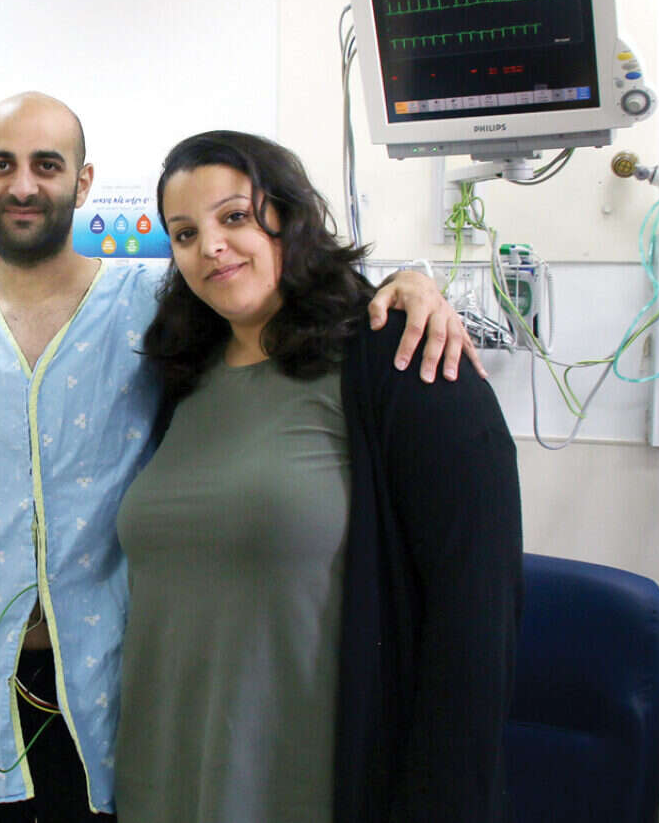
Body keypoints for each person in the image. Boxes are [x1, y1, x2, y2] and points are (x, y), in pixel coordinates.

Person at [0, 94, 480, 821]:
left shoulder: (156, 312)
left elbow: (283, 299)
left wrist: (406, 286)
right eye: (1, 165)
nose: (23, 185)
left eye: (47, 165)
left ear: (83, 182)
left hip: (113, 696)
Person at [113, 130, 523, 823]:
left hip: (309, 780)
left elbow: (475, 619)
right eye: (184, 233)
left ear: (291, 215)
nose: (210, 246)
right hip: (166, 769)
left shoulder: (399, 361)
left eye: (235, 216)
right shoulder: (180, 374)